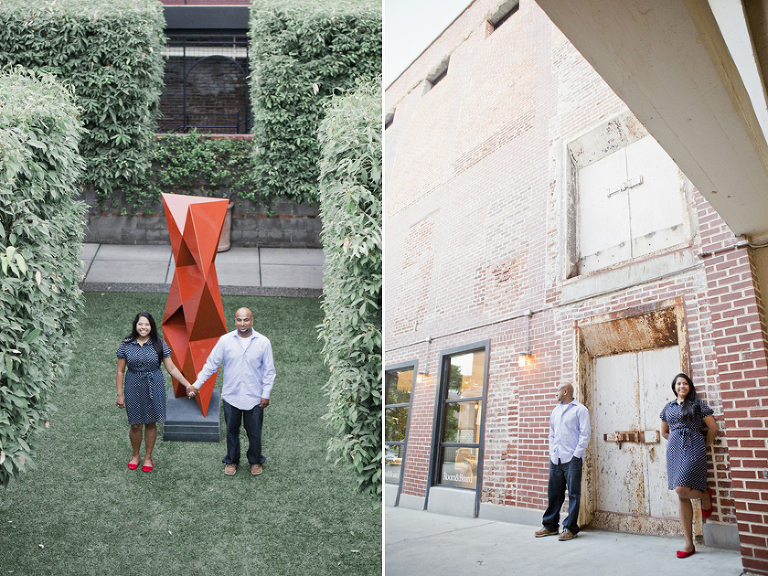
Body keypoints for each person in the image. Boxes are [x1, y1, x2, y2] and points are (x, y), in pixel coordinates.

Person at [187, 307, 275, 476]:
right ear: (234, 321)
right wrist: (196, 385)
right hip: (231, 396)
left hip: (255, 398)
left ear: (252, 321)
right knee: (231, 431)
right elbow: (211, 365)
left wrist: (266, 394)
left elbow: (269, 371)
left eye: (246, 320)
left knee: (255, 432)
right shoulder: (225, 341)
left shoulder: (263, 342)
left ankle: (255, 460)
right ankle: (232, 460)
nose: (243, 323)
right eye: (239, 320)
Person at [116, 311, 195, 472]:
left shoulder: (159, 343)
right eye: (140, 324)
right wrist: (119, 394)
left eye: (147, 324)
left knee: (151, 422)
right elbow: (120, 371)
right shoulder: (126, 344)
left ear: (151, 326)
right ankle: (136, 455)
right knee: (136, 424)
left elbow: (171, 368)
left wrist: (187, 384)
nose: (143, 327)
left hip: (154, 384)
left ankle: (148, 457)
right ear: (135, 325)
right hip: (132, 385)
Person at [660, 373, 718, 559]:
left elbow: (713, 428)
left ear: (689, 386)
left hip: (694, 448)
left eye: (685, 383)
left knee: (681, 489)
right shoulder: (667, 407)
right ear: (674, 387)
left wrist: (704, 445)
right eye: (679, 384)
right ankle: (689, 543)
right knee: (681, 495)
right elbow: (664, 432)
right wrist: (677, 439)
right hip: (675, 451)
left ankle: (703, 495)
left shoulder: (697, 404)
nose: (682, 386)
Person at [534, 382, 591, 541]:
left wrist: (576, 455)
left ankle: (570, 528)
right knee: (554, 494)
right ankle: (550, 526)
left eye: (558, 390)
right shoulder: (555, 411)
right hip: (556, 458)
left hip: (572, 459)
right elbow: (552, 434)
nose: (556, 393)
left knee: (573, 494)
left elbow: (585, 434)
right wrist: (552, 452)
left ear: (565, 391)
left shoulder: (580, 410)